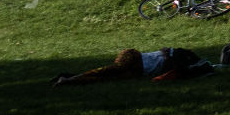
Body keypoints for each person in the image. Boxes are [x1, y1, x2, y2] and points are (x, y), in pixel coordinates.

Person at [52, 47, 207, 85]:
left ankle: (69, 78)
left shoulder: (177, 65)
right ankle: (71, 78)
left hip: (139, 71)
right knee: (110, 70)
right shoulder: (174, 55)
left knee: (107, 78)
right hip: (134, 57)